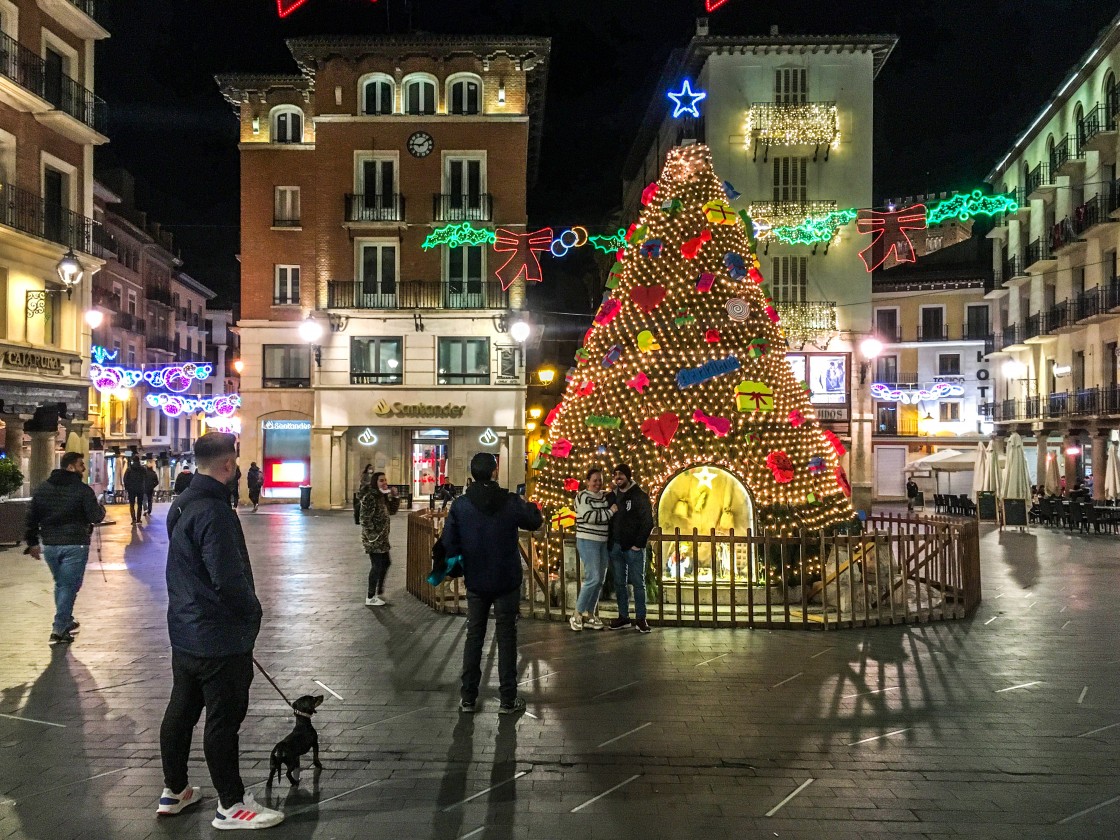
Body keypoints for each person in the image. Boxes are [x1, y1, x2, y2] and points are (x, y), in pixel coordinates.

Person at [157, 432, 283, 829]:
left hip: (187, 629)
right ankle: (231, 804)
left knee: (182, 709)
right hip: (218, 635)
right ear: (228, 466)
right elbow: (228, 578)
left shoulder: (182, 503)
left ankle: (174, 790)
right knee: (223, 719)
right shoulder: (214, 510)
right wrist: (251, 614)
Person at [442, 452, 542, 714]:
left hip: (476, 580)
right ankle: (508, 699)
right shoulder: (509, 501)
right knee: (506, 637)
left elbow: (449, 542)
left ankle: (468, 698)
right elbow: (534, 521)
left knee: (474, 635)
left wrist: (458, 568)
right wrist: (533, 506)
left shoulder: (461, 505)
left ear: (473, 474)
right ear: (495, 472)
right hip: (506, 579)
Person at [24, 451, 105, 646]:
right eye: (80, 464)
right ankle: (59, 628)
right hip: (75, 544)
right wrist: (101, 509)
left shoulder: (43, 488)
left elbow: (32, 516)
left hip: (50, 545)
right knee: (69, 586)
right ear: (70, 467)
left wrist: (33, 542)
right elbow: (95, 516)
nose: (83, 468)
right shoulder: (82, 490)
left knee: (62, 584)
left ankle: (66, 619)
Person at [606, 463, 654, 633]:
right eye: (615, 475)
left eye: (621, 475)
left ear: (628, 476)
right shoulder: (612, 496)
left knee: (638, 584)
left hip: (633, 548)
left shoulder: (639, 496)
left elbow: (648, 521)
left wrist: (638, 544)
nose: (618, 478)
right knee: (619, 583)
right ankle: (623, 616)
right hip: (616, 547)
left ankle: (641, 618)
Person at [570, 467, 615, 632]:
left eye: (600, 480)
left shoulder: (603, 496)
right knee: (593, 578)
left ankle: (590, 614)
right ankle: (577, 614)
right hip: (588, 540)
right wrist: (610, 512)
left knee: (600, 580)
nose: (597, 483)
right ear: (587, 481)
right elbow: (590, 517)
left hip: (603, 541)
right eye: (594, 480)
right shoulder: (582, 496)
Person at [357, 471, 400, 606]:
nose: (384, 483)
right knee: (376, 565)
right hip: (374, 539)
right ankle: (370, 597)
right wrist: (372, 535)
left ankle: (379, 590)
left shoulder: (382, 496)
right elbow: (364, 518)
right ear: (375, 482)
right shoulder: (370, 497)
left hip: (382, 538)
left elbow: (392, 511)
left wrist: (395, 497)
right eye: (381, 480)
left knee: (386, 562)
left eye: (385, 480)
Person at [124, 455, 147, 525]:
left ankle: (133, 520)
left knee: (132, 505)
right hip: (140, 489)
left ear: (133, 461)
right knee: (139, 504)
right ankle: (138, 519)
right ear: (139, 460)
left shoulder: (129, 469)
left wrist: (127, 488)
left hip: (131, 490)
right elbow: (146, 478)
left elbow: (125, 479)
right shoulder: (143, 469)